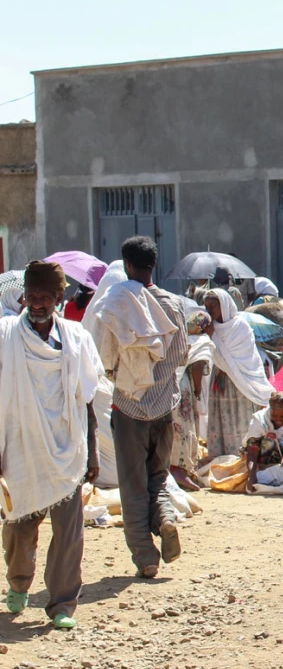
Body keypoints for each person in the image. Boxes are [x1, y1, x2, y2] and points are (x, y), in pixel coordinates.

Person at [1, 261, 102, 629]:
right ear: (24, 297)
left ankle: (62, 603)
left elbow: (86, 397)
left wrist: (91, 449)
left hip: (66, 449)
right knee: (18, 526)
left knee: (69, 532)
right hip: (20, 447)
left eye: (45, 297)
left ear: (60, 297)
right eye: (32, 296)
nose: (38, 304)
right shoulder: (5, 335)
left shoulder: (77, 339)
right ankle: (18, 582)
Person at [89, 236, 188, 578]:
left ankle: (146, 558)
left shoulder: (115, 303)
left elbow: (103, 359)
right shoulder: (173, 304)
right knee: (157, 479)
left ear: (126, 265)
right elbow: (180, 357)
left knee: (132, 484)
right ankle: (165, 518)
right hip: (164, 408)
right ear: (153, 265)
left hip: (128, 409)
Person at [202, 289, 274, 457]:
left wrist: (213, 337)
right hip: (220, 379)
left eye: (213, 306)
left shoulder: (239, 327)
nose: (209, 310)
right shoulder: (210, 328)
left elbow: (244, 358)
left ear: (224, 305)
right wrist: (209, 335)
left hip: (240, 383)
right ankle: (221, 458)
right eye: (207, 307)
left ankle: (241, 456)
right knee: (220, 420)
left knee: (238, 421)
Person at [170, 312, 215, 490]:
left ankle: (174, 468)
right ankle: (180, 470)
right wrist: (197, 391)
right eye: (210, 325)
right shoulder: (204, 342)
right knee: (185, 429)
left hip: (172, 385)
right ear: (204, 327)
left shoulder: (183, 339)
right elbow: (197, 367)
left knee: (175, 428)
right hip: (186, 387)